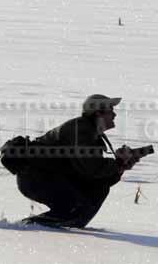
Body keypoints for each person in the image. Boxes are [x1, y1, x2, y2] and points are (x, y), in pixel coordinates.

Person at [17, 94, 140, 228]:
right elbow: (92, 168)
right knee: (73, 207)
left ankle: (62, 226)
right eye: (110, 110)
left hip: (49, 177)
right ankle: (28, 227)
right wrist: (118, 163)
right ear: (98, 113)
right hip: (35, 177)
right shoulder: (80, 131)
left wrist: (121, 168)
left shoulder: (92, 134)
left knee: (97, 191)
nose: (114, 114)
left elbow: (97, 179)